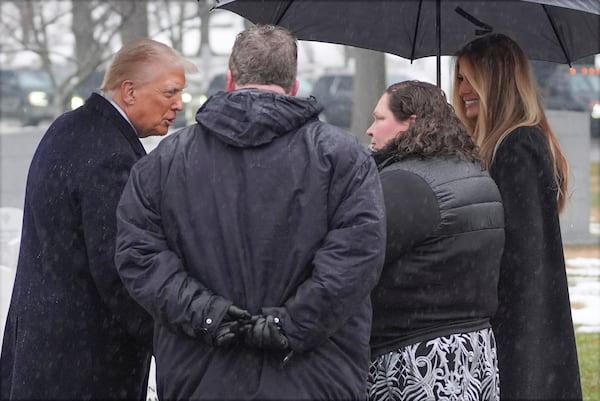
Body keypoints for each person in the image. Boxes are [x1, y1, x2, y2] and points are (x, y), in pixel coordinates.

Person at [114, 24, 386, 401]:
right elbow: (356, 261)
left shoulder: (163, 164)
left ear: (230, 78)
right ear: (293, 84)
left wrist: (207, 313)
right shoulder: (344, 159)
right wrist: (290, 325)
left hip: (201, 377)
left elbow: (139, 257)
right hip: (316, 377)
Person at [0, 38, 198, 400]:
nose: (179, 105)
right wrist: (173, 344)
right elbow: (122, 273)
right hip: (86, 367)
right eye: (170, 92)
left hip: (42, 351)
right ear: (130, 91)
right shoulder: (111, 158)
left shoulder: (68, 127)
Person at [452, 33, 583, 400]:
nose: (462, 89)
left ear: (498, 81)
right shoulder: (514, 142)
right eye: (459, 78)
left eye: (470, 77)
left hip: (517, 327)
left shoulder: (516, 146)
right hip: (524, 324)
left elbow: (519, 254)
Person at [365, 80, 505, 401]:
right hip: (473, 349)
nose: (370, 130)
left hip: (415, 355)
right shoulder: (476, 174)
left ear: (410, 123)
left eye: (380, 119)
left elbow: (360, 259)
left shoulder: (405, 184)